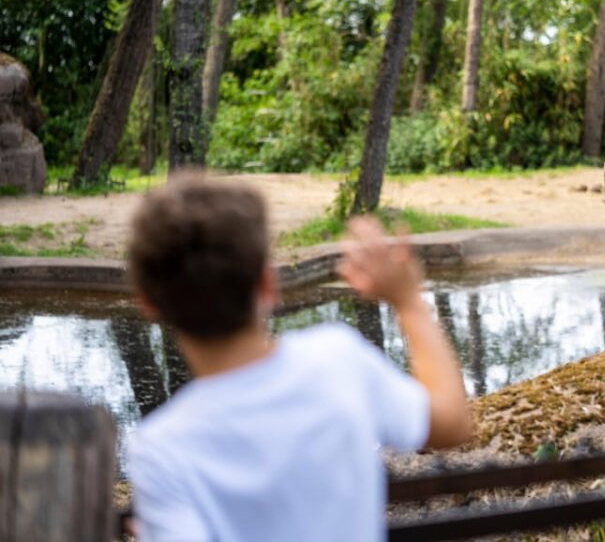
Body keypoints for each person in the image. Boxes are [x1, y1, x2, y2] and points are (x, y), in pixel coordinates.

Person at [126, 172, 472, 541]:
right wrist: (409, 302)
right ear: (268, 283)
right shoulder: (338, 360)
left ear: (147, 303)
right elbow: (452, 423)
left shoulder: (161, 449)